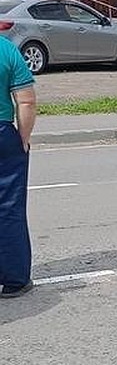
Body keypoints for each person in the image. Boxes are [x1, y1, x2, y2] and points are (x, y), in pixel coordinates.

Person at [0, 34, 36, 298]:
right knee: (9, 207)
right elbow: (26, 101)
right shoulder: (6, 50)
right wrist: (22, 137)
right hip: (2, 134)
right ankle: (14, 278)